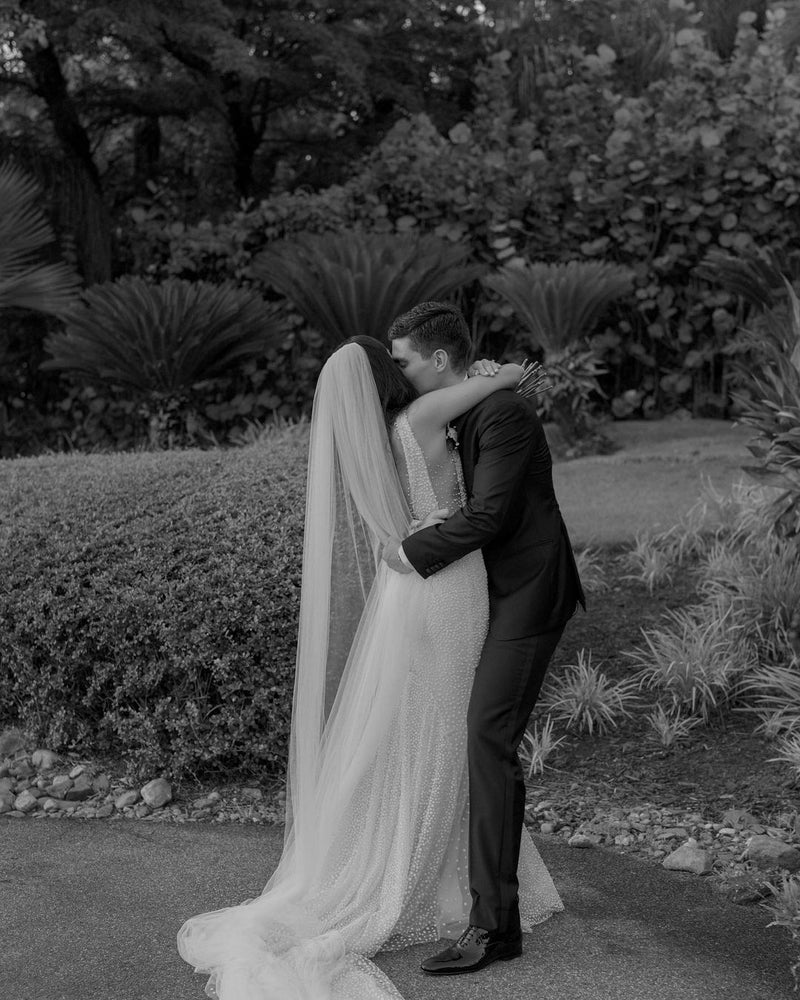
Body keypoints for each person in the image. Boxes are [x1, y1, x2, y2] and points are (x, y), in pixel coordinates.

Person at [177, 334, 562, 1000]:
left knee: (425, 731)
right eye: (404, 360)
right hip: (448, 584)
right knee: (448, 732)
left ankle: (437, 872)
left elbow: (399, 523)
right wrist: (507, 372)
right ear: (394, 373)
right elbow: (504, 384)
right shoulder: (421, 417)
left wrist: (416, 532)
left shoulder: (378, 435)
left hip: (410, 588)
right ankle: (437, 879)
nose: (411, 365)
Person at [383, 301, 585, 977]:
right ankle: (482, 906)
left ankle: (494, 927)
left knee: (486, 737)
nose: (401, 374)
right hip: (481, 596)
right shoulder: (473, 405)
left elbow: (495, 512)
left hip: (526, 594)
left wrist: (414, 554)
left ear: (440, 360)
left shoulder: (502, 412)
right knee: (469, 736)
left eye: (406, 360)